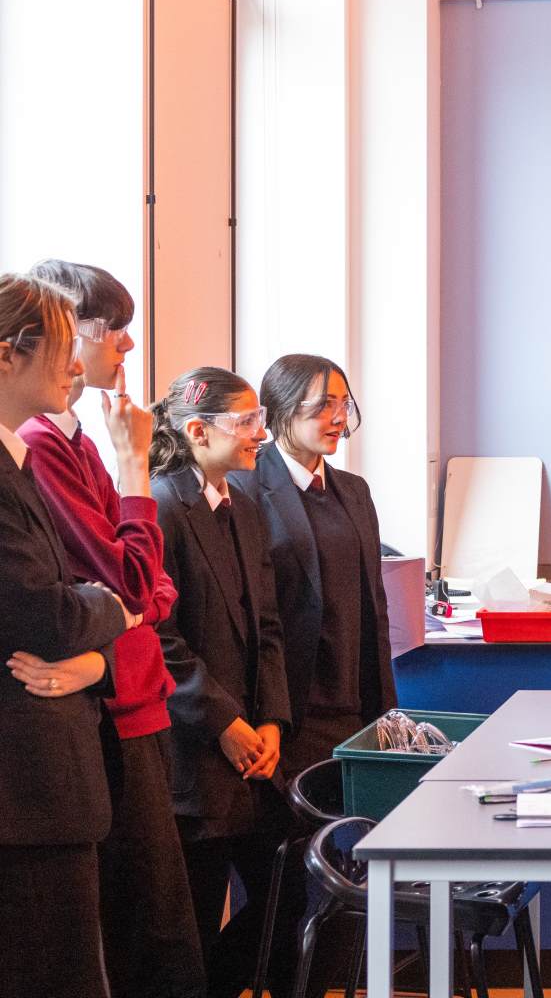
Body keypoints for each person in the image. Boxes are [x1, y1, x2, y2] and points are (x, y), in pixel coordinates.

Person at [14, 261, 203, 998]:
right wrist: (134, 460)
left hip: (129, 699)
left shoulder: (78, 442)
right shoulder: (45, 446)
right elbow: (126, 584)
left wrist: (117, 627)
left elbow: (154, 590)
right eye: (109, 329)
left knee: (160, 931)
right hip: (101, 721)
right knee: (141, 938)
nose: (126, 345)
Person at [0, 273, 140, 998]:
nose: (76, 364)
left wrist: (95, 653)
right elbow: (45, 614)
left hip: (45, 787)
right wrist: (111, 608)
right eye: (61, 344)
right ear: (7, 354)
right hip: (23, 791)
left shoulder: (19, 461)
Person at [150, 367, 292, 998]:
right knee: (193, 926)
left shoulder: (246, 507)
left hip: (257, 752)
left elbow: (269, 627)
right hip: (193, 754)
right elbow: (159, 637)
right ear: (198, 431)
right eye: (247, 421)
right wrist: (224, 723)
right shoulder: (162, 506)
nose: (261, 433)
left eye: (261, 419)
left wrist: (271, 723)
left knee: (290, 897)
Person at [232, 354, 394, 775]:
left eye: (344, 404)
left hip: (355, 707)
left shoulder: (354, 491)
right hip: (286, 713)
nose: (339, 417)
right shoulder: (243, 487)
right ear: (281, 409)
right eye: (324, 405)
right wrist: (268, 715)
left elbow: (374, 608)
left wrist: (386, 712)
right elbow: (252, 617)